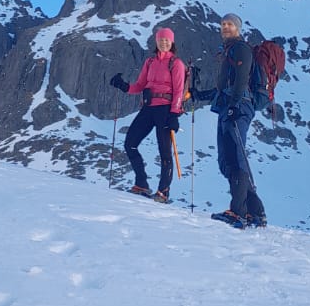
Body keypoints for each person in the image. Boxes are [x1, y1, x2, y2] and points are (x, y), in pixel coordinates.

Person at [194, 12, 267, 229]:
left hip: (237, 108)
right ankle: (255, 213)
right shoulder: (229, 51)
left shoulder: (241, 48)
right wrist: (199, 95)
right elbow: (223, 88)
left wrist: (234, 105)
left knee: (234, 158)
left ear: (238, 28)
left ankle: (238, 213)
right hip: (231, 107)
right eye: (223, 24)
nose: (225, 27)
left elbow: (241, 79)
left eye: (230, 24)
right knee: (229, 160)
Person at [111, 28, 186, 202]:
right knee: (130, 143)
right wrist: (123, 86)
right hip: (148, 107)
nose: (163, 43)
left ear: (172, 42)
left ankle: (163, 192)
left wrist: (174, 114)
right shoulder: (150, 62)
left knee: (165, 151)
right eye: (160, 40)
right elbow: (140, 85)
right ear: (156, 41)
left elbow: (179, 91)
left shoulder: (176, 63)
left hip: (165, 110)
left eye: (167, 40)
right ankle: (141, 184)